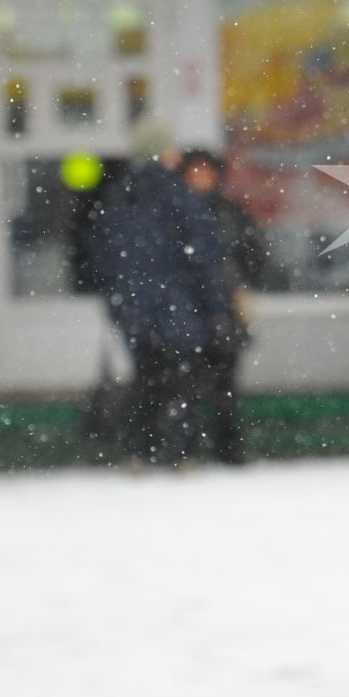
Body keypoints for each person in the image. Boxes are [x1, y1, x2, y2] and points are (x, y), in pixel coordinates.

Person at [92, 129, 235, 468]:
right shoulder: (180, 196)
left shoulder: (119, 197)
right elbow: (202, 257)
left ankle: (137, 451)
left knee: (145, 379)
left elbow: (106, 257)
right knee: (182, 382)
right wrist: (217, 307)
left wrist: (119, 303)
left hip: (136, 306)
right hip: (179, 304)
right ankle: (181, 452)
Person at [179, 148, 267, 466]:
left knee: (225, 382)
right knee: (185, 383)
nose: (201, 179)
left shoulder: (229, 214)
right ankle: (187, 447)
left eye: (206, 172)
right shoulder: (177, 214)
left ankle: (228, 446)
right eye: (194, 173)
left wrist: (237, 287)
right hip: (188, 310)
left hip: (225, 309)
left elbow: (253, 254)